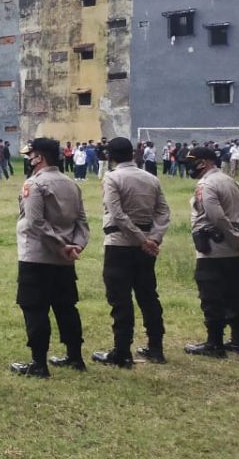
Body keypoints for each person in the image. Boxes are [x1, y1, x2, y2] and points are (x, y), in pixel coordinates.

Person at [10, 138, 90, 378]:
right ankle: (75, 356)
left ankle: (38, 363)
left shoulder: (34, 184)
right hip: (64, 259)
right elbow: (82, 222)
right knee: (66, 307)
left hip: (37, 256)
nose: (28, 160)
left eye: (30, 156)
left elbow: (35, 222)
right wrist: (75, 245)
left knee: (35, 308)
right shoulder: (71, 184)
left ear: (39, 158)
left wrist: (61, 246)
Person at [91, 137, 170, 367]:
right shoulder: (151, 178)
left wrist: (141, 239)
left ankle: (122, 351)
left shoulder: (112, 178)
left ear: (110, 156)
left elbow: (117, 214)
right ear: (133, 153)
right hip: (146, 246)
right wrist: (153, 238)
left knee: (120, 299)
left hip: (119, 243)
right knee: (148, 296)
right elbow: (163, 212)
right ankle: (156, 347)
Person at [183, 146, 239, 357]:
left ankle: (214, 343)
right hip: (236, 252)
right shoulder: (231, 180)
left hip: (214, 250)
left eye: (192, 161)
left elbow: (216, 217)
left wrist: (234, 238)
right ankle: (237, 342)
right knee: (236, 295)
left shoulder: (206, 184)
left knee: (211, 296)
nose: (188, 165)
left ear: (203, 162)